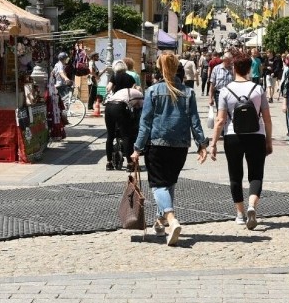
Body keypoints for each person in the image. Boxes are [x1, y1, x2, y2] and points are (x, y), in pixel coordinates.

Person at [131, 52, 208, 246]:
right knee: (169, 182)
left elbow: (145, 123)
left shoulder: (153, 91)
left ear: (159, 68)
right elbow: (195, 121)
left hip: (157, 144)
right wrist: (201, 144)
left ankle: (172, 219)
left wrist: (137, 148)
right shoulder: (188, 92)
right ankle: (160, 221)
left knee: (158, 185)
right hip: (180, 146)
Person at [208, 53, 273, 230]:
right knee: (256, 174)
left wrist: (213, 143)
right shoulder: (258, 89)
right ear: (249, 68)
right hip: (256, 135)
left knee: (235, 175)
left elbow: (220, 120)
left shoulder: (226, 91)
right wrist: (269, 140)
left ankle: (239, 213)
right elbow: (267, 118)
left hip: (232, 135)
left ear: (233, 68)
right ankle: (252, 205)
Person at [104, 61, 140, 171]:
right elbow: (136, 90)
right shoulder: (130, 77)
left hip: (110, 105)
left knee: (110, 135)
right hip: (122, 105)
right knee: (126, 135)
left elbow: (108, 89)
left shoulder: (114, 76)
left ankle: (109, 163)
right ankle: (130, 163)